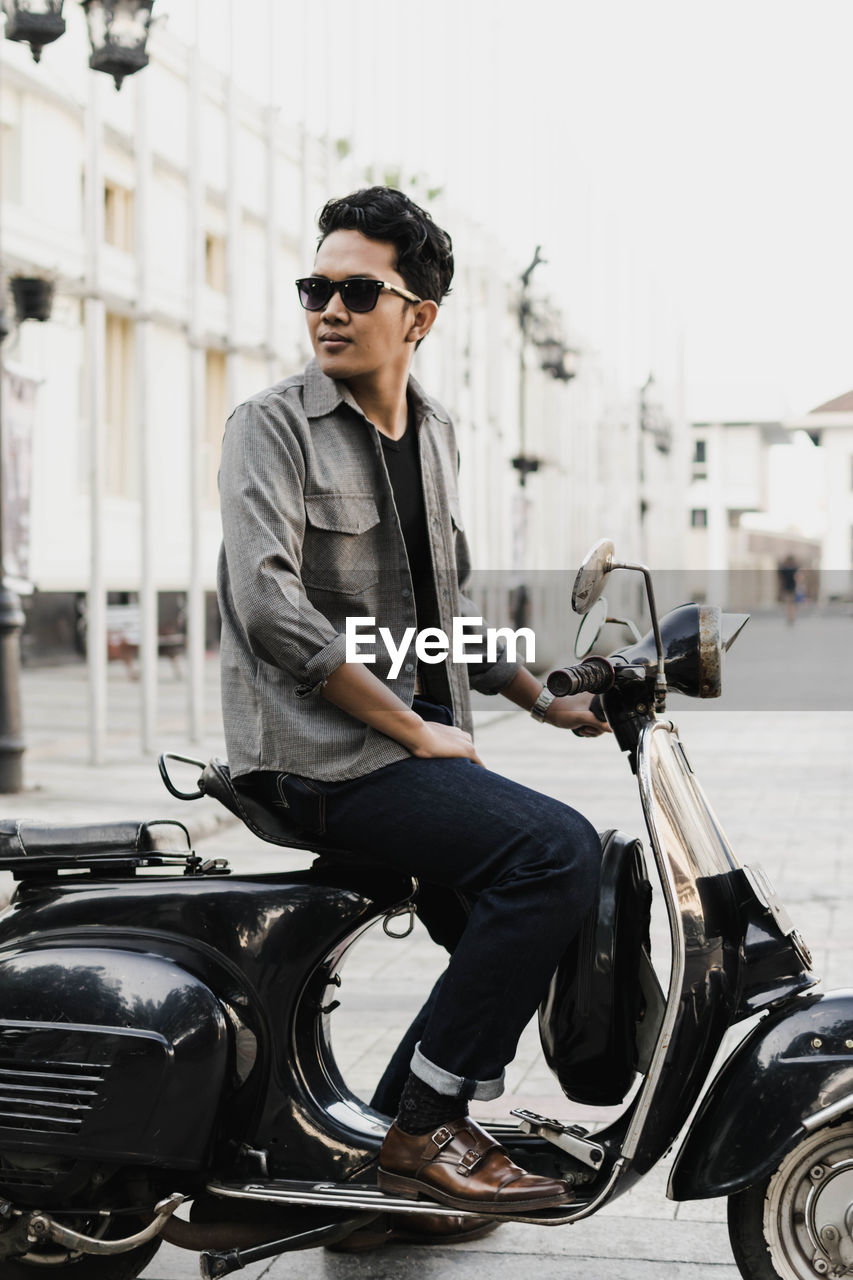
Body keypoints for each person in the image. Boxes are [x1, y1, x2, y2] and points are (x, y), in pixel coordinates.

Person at [216, 187, 608, 1230]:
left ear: (418, 316)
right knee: (555, 854)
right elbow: (269, 609)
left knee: (543, 910)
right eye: (316, 287)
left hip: (411, 752)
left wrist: (543, 695)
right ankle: (427, 1128)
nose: (329, 309)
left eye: (356, 289)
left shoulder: (432, 435)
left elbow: (450, 606)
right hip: (312, 756)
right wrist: (411, 726)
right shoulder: (269, 427)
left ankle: (394, 1138)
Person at [777, 554, 800, 625]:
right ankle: (791, 617)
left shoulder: (785, 568)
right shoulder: (793, 568)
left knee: (789, 604)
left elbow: (780, 577)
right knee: (790, 604)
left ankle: (790, 617)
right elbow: (798, 577)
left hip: (789, 588)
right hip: (789, 588)